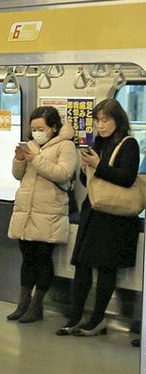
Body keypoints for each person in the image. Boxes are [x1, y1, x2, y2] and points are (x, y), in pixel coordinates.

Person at [57, 99, 141, 337]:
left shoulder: (129, 144)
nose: (101, 126)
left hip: (115, 218)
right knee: (82, 266)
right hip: (93, 212)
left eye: (106, 120)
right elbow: (90, 183)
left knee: (106, 269)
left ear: (118, 121)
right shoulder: (97, 144)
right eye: (98, 121)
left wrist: (98, 165)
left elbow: (126, 178)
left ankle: (97, 319)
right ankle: (75, 316)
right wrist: (87, 169)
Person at [7, 107, 77, 323]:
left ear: (53, 127)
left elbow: (63, 174)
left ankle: (37, 306)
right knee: (27, 258)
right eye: (33, 128)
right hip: (26, 210)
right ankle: (23, 303)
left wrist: (36, 158)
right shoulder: (32, 145)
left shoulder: (66, 146)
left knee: (42, 258)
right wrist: (19, 160)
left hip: (50, 212)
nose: (36, 132)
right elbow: (19, 175)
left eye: (41, 128)